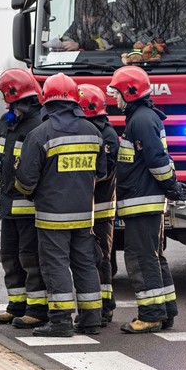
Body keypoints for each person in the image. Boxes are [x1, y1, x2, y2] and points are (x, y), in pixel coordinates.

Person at [15, 73, 107, 337]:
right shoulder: (93, 132)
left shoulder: (39, 134)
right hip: (84, 215)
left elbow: (26, 181)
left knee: (55, 266)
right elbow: (101, 173)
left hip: (52, 216)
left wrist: (30, 192)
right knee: (85, 264)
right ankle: (91, 319)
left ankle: (60, 322)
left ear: (47, 99)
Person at [106, 66, 186, 333]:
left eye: (117, 93)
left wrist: (171, 185)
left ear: (129, 92)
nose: (114, 98)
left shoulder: (141, 120)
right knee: (154, 257)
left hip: (142, 202)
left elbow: (156, 159)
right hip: (144, 201)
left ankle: (151, 315)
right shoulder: (143, 117)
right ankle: (165, 311)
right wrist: (171, 186)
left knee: (141, 258)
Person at [0, 68, 49, 329]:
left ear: (19, 96)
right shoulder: (6, 122)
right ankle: (16, 306)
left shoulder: (40, 123)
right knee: (9, 256)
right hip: (8, 205)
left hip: (30, 207)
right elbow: (0, 162)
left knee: (30, 258)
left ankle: (37, 309)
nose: (5, 103)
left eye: (7, 97)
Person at [78, 83, 119, 327]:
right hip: (88, 206)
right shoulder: (94, 131)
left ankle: (105, 307)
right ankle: (97, 306)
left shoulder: (107, 135)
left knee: (101, 257)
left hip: (101, 208)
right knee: (91, 258)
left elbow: (103, 172)